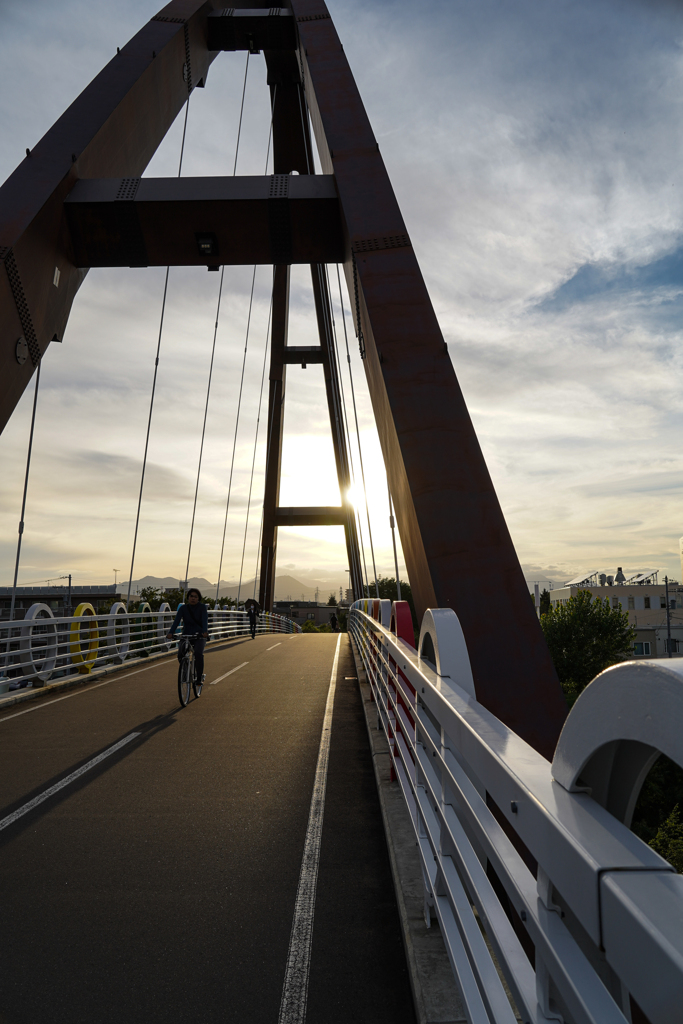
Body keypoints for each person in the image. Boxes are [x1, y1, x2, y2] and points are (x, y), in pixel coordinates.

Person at [167, 588, 209, 681]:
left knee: (198, 653)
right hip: (186, 635)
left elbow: (204, 620)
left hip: (199, 636)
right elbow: (176, 621)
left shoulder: (202, 607)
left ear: (198, 598)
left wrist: (205, 631)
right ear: (188, 598)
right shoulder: (183, 608)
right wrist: (171, 632)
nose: (193, 598)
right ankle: (186, 672)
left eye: (195, 597)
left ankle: (199, 677)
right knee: (180, 655)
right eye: (191, 596)